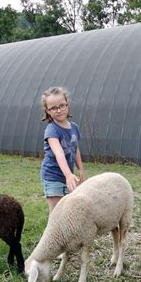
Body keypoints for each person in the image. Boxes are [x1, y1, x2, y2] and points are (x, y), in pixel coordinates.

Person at [40, 86, 86, 214]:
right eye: (53, 108)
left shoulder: (74, 127)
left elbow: (75, 149)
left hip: (68, 176)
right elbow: (59, 153)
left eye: (62, 105)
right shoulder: (52, 130)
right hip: (52, 176)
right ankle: (53, 235)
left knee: (67, 211)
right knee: (56, 214)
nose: (59, 110)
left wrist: (80, 169)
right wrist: (68, 174)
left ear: (68, 105)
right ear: (47, 111)